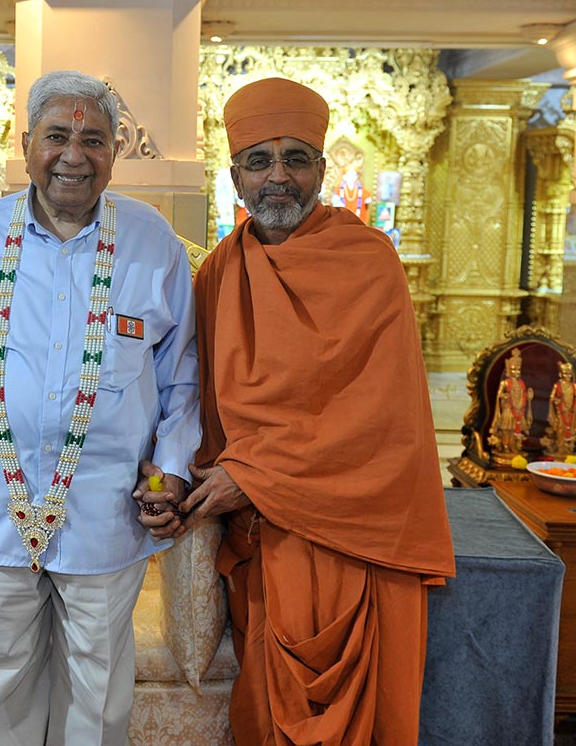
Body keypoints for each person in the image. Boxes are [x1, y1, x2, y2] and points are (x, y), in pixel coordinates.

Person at [141, 77, 455, 746]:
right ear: (235, 177)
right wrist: (177, 477)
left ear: (322, 170)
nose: (278, 177)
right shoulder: (220, 270)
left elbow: (382, 420)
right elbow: (197, 399)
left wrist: (255, 477)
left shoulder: (369, 262)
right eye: (259, 160)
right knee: (265, 712)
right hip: (261, 537)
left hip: (351, 532)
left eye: (296, 159)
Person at [0, 69, 200, 746]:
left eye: (93, 139)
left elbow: (181, 375)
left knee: (98, 690)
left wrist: (169, 474)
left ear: (115, 150)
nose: (74, 155)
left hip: (108, 511)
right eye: (57, 137)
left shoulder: (153, 242)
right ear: (26, 145)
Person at [489, 348, 534, 458]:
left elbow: (523, 395)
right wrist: (504, 396)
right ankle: (506, 447)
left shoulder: (522, 383)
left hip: (519, 410)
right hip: (509, 409)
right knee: (506, 429)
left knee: (515, 430)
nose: (517, 372)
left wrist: (529, 398)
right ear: (509, 370)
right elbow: (499, 395)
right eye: (514, 369)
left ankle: (514, 447)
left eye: (518, 369)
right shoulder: (505, 383)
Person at [545, 360, 576, 458]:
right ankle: (560, 448)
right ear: (560, 374)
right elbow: (552, 397)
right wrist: (556, 400)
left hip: (571, 412)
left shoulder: (574, 385)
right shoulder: (557, 385)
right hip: (561, 411)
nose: (568, 376)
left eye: (570, 374)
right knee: (561, 429)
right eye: (566, 373)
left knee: (570, 429)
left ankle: (568, 449)